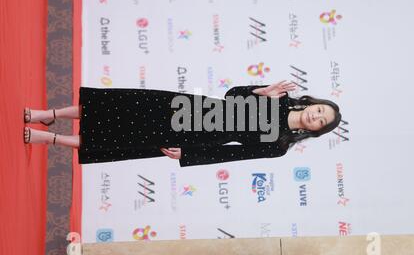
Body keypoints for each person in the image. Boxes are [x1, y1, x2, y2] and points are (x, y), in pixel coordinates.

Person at [23, 81, 341, 167]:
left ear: (316, 130)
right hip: (189, 106)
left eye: (322, 121)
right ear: (313, 104)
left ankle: (49, 139)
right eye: (320, 110)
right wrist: (258, 91)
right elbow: (232, 96)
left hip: (199, 135)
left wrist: (188, 156)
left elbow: (233, 154)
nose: (316, 116)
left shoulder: (280, 145)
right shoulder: (280, 98)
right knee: (119, 104)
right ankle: (47, 114)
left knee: (125, 138)